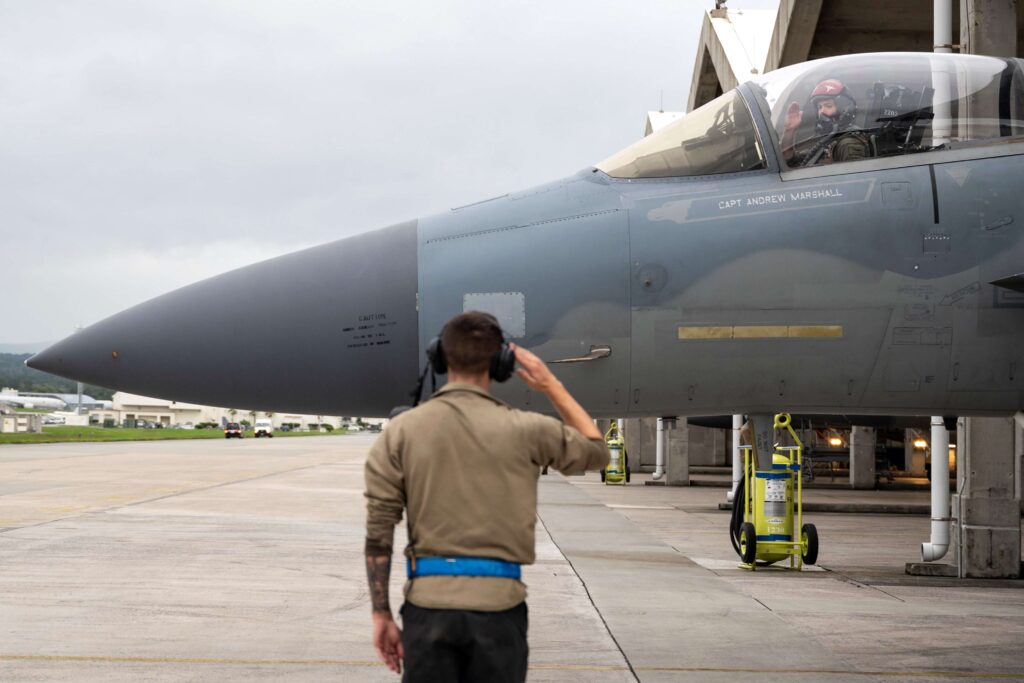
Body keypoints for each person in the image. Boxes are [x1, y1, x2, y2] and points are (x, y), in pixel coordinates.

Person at [363, 311, 609, 681]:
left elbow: (378, 532)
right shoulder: (528, 429)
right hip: (500, 610)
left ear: (440, 358)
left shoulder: (400, 432)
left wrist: (381, 614)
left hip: (428, 609)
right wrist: (551, 385)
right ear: (500, 362)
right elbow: (596, 452)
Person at [781, 78, 871, 167]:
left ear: (844, 110)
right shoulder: (826, 142)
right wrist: (789, 130)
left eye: (828, 106)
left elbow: (854, 179)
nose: (822, 112)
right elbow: (790, 162)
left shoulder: (848, 143)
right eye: (819, 107)